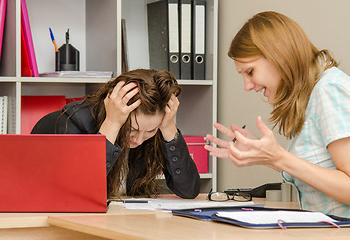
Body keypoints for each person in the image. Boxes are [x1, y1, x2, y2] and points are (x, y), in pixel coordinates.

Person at [205, 11, 350, 217]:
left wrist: (279, 158)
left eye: (250, 72)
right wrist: (265, 156)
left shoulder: (330, 89)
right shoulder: (311, 97)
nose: (247, 86)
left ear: (279, 55)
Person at [57, 69, 201, 199]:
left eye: (150, 131)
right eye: (132, 130)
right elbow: (78, 192)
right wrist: (112, 124)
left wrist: (169, 128)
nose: (138, 140)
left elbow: (189, 190)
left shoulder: (159, 125)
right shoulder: (75, 120)